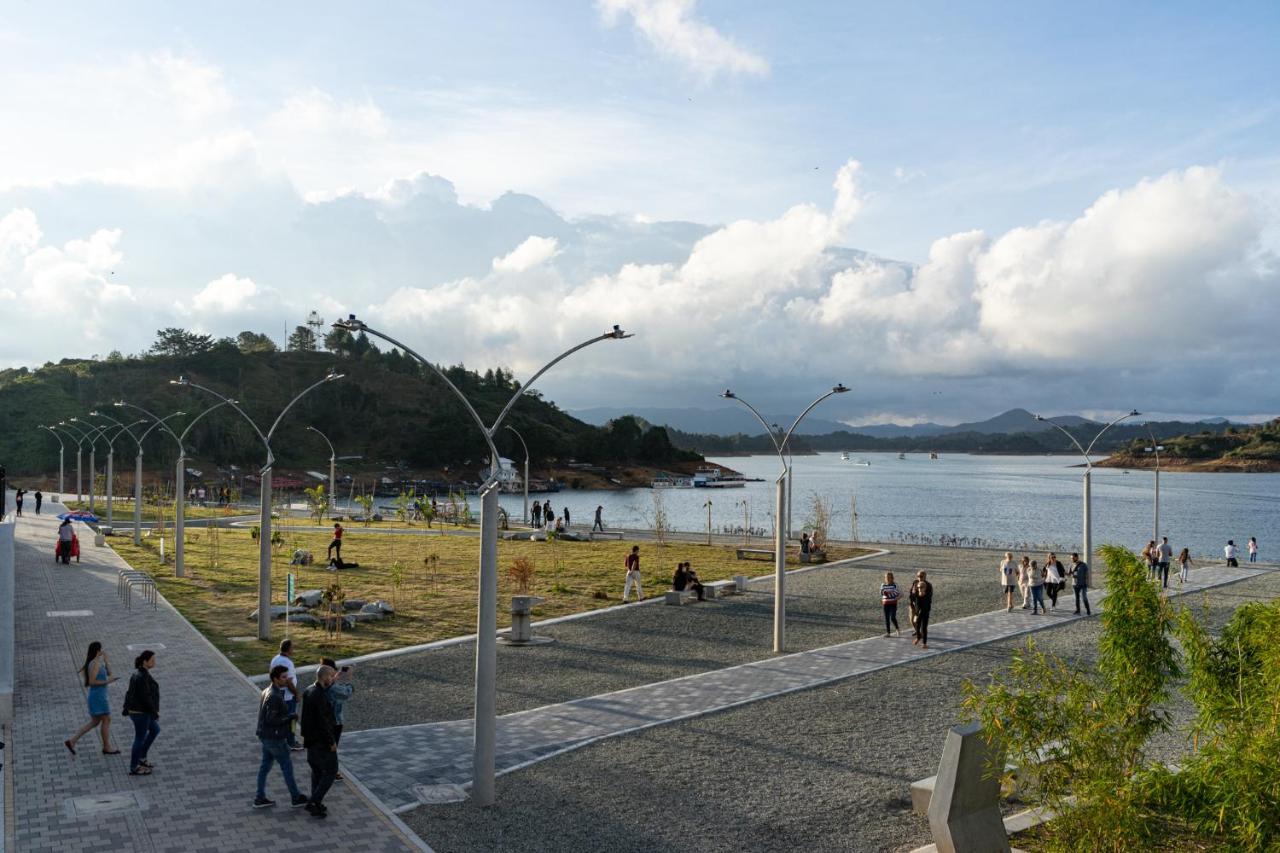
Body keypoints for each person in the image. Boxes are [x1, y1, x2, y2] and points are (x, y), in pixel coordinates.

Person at [254, 664, 309, 809]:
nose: (286, 679)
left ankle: (259, 798)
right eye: (283, 677)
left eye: (287, 676)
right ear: (275, 678)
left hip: (265, 736)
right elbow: (271, 719)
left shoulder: (267, 690)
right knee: (286, 765)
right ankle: (296, 797)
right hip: (274, 738)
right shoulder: (274, 696)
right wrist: (289, 717)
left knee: (265, 766)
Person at [64, 641, 120, 756]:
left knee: (95, 722)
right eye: (101, 650)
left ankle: (72, 740)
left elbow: (109, 672)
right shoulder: (94, 664)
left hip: (97, 697)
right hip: (98, 697)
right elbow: (92, 682)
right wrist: (108, 681)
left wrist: (106, 660)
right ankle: (106, 747)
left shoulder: (97, 663)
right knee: (106, 719)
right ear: (98, 651)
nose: (103, 651)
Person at [300, 666, 340, 818]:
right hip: (322, 742)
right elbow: (323, 722)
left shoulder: (309, 690)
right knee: (331, 771)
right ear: (324, 677)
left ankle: (316, 804)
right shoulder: (320, 696)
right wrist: (331, 742)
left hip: (310, 740)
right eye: (331, 676)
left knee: (316, 771)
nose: (333, 678)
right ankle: (313, 801)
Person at [123, 650, 160, 776]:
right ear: (145, 661)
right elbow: (146, 697)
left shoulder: (140, 673)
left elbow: (129, 693)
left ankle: (142, 757)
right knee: (139, 738)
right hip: (141, 713)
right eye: (152, 660)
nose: (154, 662)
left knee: (155, 730)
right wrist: (154, 712)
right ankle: (134, 767)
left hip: (141, 711)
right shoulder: (141, 676)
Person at [321, 657, 355, 780]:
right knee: (333, 747)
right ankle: (332, 772)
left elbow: (330, 684)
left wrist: (337, 676)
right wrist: (349, 678)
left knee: (326, 746)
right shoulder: (333, 688)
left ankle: (324, 768)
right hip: (335, 721)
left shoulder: (320, 684)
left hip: (324, 721)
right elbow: (346, 692)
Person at [269, 640, 303, 750]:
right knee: (292, 720)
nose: (294, 649)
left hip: (278, 693)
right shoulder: (288, 663)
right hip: (288, 696)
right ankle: (291, 742)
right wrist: (296, 694)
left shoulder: (275, 659)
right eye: (293, 647)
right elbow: (289, 681)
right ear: (288, 649)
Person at [909, 571, 933, 648]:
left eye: (921, 576)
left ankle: (924, 643)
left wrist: (922, 592)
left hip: (925, 609)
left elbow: (928, 598)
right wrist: (914, 593)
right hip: (917, 609)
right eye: (918, 576)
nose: (919, 577)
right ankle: (918, 637)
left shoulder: (928, 585)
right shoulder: (915, 584)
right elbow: (912, 596)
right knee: (917, 624)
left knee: (924, 626)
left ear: (925, 576)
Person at [880, 572, 901, 637]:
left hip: (893, 603)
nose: (888, 579)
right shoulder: (883, 585)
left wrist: (894, 597)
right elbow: (881, 593)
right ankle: (888, 633)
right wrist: (884, 593)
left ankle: (897, 629)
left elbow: (898, 593)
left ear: (892, 578)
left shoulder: (895, 585)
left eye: (889, 577)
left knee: (892, 617)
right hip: (885, 603)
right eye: (886, 577)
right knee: (886, 618)